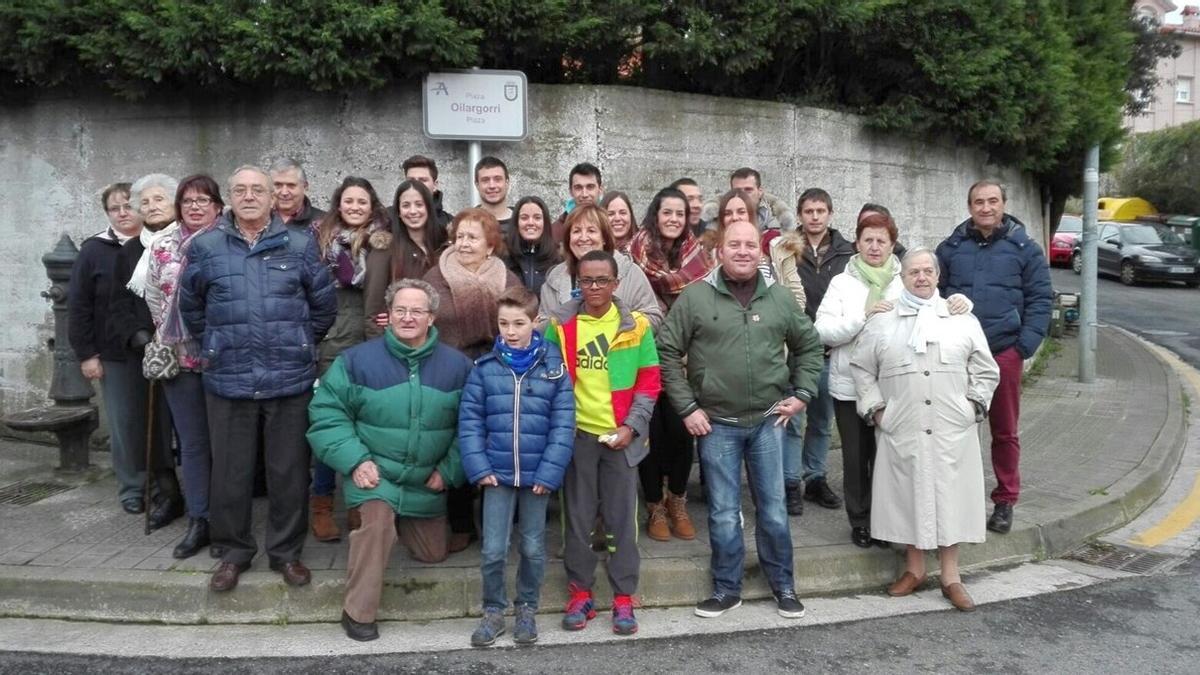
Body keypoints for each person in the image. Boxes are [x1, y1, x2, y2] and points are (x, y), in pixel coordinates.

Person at [179, 165, 336, 593]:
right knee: (230, 472)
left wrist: (300, 342)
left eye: (258, 190)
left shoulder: (301, 244)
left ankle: (285, 553)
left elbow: (323, 308)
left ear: (274, 198)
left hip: (289, 378)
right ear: (230, 198)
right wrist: (217, 345)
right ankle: (233, 552)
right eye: (241, 190)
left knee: (288, 471)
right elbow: (191, 307)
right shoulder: (206, 246)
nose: (250, 196)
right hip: (229, 376)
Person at [659, 218, 823, 620]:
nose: (744, 251)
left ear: (761, 252)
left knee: (772, 508)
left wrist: (802, 393)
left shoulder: (780, 299)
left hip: (769, 422)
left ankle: (783, 585)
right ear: (720, 250)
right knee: (723, 511)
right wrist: (687, 407)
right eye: (735, 244)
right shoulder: (695, 298)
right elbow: (665, 351)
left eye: (751, 244)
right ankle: (726, 589)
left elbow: (809, 346)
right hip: (716, 425)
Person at [308, 279, 474, 642]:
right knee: (377, 525)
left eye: (417, 311)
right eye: (400, 310)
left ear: (431, 318)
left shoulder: (457, 366)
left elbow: (472, 427)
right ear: (388, 316)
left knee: (432, 553)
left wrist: (448, 471)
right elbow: (326, 416)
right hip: (374, 474)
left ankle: (391, 526)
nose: (408, 317)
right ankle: (358, 612)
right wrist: (355, 461)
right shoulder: (356, 361)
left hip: (423, 480)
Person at [849, 248, 1000, 612]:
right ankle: (914, 570)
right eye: (913, 271)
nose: (921, 277)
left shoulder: (961, 319)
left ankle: (951, 577)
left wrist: (974, 406)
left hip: (952, 428)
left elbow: (986, 369)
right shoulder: (883, 323)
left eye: (927, 271)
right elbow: (861, 369)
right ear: (902, 278)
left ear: (937, 276)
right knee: (908, 497)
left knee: (951, 499)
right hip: (903, 427)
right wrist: (877, 412)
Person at [814, 213, 971, 548]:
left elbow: (935, 308)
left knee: (890, 459)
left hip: (897, 389)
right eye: (868, 239)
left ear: (891, 245)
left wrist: (961, 302)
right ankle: (860, 520)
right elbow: (821, 330)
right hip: (849, 386)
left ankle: (889, 523)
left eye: (881, 241)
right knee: (856, 459)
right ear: (857, 243)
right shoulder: (843, 282)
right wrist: (862, 317)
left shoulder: (904, 280)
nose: (874, 246)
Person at [545, 250, 661, 636]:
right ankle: (580, 594)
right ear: (578, 282)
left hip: (620, 438)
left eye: (602, 281)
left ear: (616, 284)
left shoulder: (637, 326)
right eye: (586, 281)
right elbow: (549, 382)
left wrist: (631, 426)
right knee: (576, 520)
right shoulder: (560, 325)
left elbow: (649, 383)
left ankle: (624, 597)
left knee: (621, 520)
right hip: (577, 436)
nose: (593, 288)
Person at [935, 179, 1052, 534]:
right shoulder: (950, 248)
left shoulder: (1025, 249)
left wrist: (1023, 348)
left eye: (992, 201)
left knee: (1004, 432)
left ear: (1003, 204)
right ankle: (953, 499)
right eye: (978, 202)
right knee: (954, 429)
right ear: (969, 207)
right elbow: (933, 293)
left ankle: (1004, 500)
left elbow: (1041, 299)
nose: (986, 208)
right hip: (958, 357)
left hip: (1003, 353)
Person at [460, 287, 575, 647]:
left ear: (535, 322)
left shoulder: (554, 368)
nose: (510, 331)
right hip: (496, 473)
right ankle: (493, 611)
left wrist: (549, 472)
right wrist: (478, 467)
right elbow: (470, 420)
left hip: (537, 475)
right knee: (493, 548)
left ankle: (527, 608)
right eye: (503, 323)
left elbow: (563, 424)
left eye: (519, 323)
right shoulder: (485, 367)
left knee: (532, 547)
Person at [424, 208, 523, 550]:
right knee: (459, 445)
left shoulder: (507, 279)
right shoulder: (436, 277)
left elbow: (519, 322)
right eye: (459, 236)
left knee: (499, 444)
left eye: (472, 237)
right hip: (450, 372)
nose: (463, 244)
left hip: (497, 372)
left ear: (490, 246)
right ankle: (461, 522)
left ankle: (500, 524)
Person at [145, 174, 226, 558]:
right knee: (192, 443)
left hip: (222, 356)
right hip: (180, 358)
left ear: (217, 206)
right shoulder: (162, 244)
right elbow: (152, 298)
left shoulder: (228, 241)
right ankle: (200, 519)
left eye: (203, 200)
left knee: (227, 443)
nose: (195, 206)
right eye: (188, 200)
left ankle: (228, 520)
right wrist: (171, 333)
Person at [308, 177, 392, 543]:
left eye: (362, 201)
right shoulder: (320, 239)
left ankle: (360, 504)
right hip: (332, 338)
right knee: (332, 422)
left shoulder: (383, 241)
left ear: (372, 205)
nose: (355, 207)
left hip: (372, 335)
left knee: (368, 422)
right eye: (348, 201)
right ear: (338, 204)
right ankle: (322, 505)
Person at [628, 187, 713, 542]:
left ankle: (678, 501)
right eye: (667, 212)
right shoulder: (634, 255)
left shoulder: (699, 257)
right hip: (643, 357)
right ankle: (655, 506)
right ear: (655, 214)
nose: (674, 219)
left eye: (680, 213)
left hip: (685, 360)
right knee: (651, 434)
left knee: (681, 432)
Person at [68, 182, 155, 515]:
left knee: (159, 422)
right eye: (114, 208)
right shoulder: (94, 250)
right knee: (125, 423)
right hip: (115, 354)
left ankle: (163, 484)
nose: (123, 213)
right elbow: (79, 305)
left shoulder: (157, 243)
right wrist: (87, 354)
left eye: (128, 205)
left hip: (159, 349)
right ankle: (132, 486)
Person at [109, 173, 184, 532]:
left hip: (188, 348)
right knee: (152, 424)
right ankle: (168, 493)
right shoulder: (128, 252)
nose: (152, 206)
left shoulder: (191, 240)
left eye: (160, 199)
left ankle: (205, 496)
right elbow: (119, 303)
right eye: (146, 202)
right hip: (149, 352)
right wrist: (141, 338)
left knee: (191, 426)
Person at [769, 187, 850, 516]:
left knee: (821, 421)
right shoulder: (787, 247)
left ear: (830, 213)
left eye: (821, 211)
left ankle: (815, 477)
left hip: (831, 349)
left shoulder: (847, 252)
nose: (815, 217)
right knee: (793, 419)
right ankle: (790, 484)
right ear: (800, 215)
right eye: (808, 211)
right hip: (795, 350)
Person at [540, 204, 664, 329]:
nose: (583, 238)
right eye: (577, 231)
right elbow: (543, 327)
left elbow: (653, 318)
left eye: (591, 231)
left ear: (604, 238)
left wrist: (610, 327)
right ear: (568, 239)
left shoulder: (630, 273)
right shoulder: (554, 279)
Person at [362, 180, 447, 339]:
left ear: (428, 208)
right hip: (399, 343)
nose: (413, 211)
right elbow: (373, 313)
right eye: (406, 205)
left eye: (419, 204)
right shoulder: (385, 250)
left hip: (439, 341)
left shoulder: (444, 246)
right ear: (398, 212)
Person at [698, 168, 796, 234]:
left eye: (748, 190)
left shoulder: (777, 222)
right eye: (738, 190)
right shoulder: (714, 225)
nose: (743, 195)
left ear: (760, 191)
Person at [504, 196, 560, 296]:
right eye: (524, 218)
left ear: (545, 222)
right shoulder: (504, 256)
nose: (530, 223)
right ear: (516, 222)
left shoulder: (557, 258)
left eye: (537, 218)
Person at [550, 162, 604, 244]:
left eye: (590, 187)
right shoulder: (555, 232)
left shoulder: (610, 223)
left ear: (600, 190)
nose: (584, 194)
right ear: (571, 192)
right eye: (578, 188)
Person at [399, 154, 453, 229]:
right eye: (411, 180)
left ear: (435, 185)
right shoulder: (388, 220)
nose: (417, 185)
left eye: (423, 180)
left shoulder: (450, 224)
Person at [271, 158, 325, 232]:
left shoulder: (326, 222)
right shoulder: (257, 217)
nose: (284, 192)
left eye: (291, 185)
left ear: (305, 187)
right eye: (278, 185)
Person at [474, 156, 514, 234]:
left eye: (498, 179)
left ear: (507, 183)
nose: (492, 186)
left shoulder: (523, 221)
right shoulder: (467, 222)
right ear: (477, 185)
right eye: (485, 180)